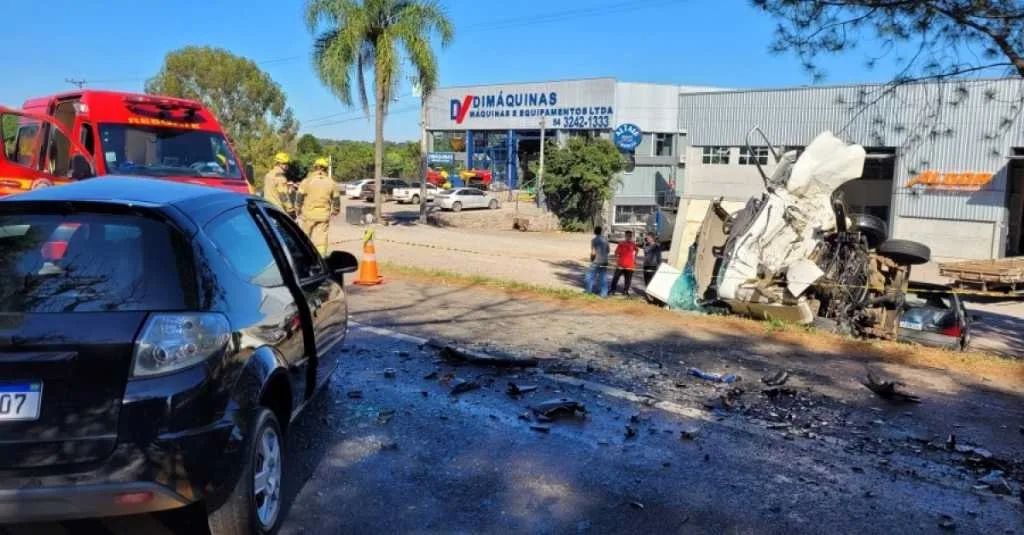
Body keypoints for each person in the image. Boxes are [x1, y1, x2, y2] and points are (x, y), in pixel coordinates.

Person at [297, 157, 338, 255]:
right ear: (326, 168)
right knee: (321, 240)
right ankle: (321, 258)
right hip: (323, 215)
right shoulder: (331, 182)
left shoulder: (307, 181)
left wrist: (297, 209)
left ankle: (305, 255)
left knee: (305, 236)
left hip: (308, 214)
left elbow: (299, 197)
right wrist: (336, 210)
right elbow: (336, 199)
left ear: (315, 167)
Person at [263, 152, 296, 217]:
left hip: (267, 207)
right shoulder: (281, 177)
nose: (287, 166)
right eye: (284, 163)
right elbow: (283, 195)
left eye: (287, 163)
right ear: (278, 163)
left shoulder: (268, 174)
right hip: (277, 210)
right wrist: (290, 209)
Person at [584, 226, 610, 297]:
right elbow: (608, 250)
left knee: (589, 276)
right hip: (605, 261)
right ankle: (604, 294)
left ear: (594, 232)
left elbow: (593, 253)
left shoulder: (594, 240)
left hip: (596, 261)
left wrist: (591, 260)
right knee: (603, 277)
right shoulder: (605, 239)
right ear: (601, 231)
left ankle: (588, 291)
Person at [610, 230, 638, 296]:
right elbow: (616, 253)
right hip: (621, 265)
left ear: (631, 237)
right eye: (627, 236)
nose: (628, 237)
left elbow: (637, 250)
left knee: (628, 280)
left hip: (630, 266)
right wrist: (617, 262)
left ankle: (625, 291)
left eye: (630, 236)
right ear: (625, 236)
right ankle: (612, 290)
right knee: (615, 278)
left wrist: (634, 258)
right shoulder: (621, 243)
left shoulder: (633, 244)